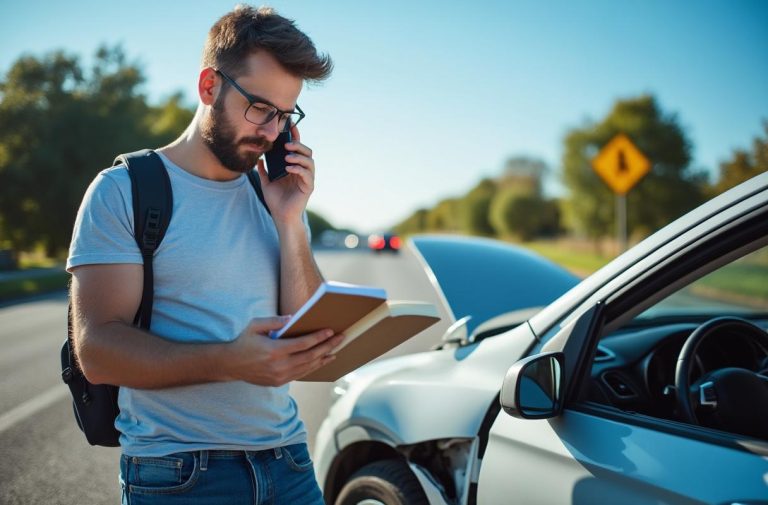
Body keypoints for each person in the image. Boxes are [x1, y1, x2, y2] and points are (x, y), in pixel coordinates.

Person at [67, 6, 339, 504]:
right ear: (210, 87)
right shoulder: (124, 190)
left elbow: (305, 329)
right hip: (179, 474)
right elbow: (97, 352)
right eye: (260, 107)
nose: (273, 132)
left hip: (291, 463)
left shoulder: (273, 194)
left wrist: (290, 218)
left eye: (285, 115)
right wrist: (231, 361)